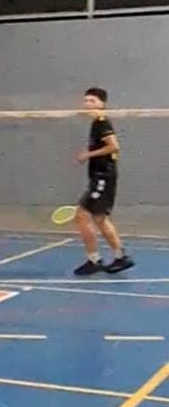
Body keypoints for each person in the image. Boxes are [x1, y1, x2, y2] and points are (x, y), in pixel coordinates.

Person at [73, 87, 134, 276]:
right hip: (100, 175)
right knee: (99, 218)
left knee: (81, 215)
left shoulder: (102, 122)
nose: (88, 104)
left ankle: (94, 260)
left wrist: (87, 155)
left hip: (103, 176)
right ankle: (120, 257)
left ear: (102, 103)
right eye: (86, 101)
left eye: (92, 101)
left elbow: (114, 147)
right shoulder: (96, 123)